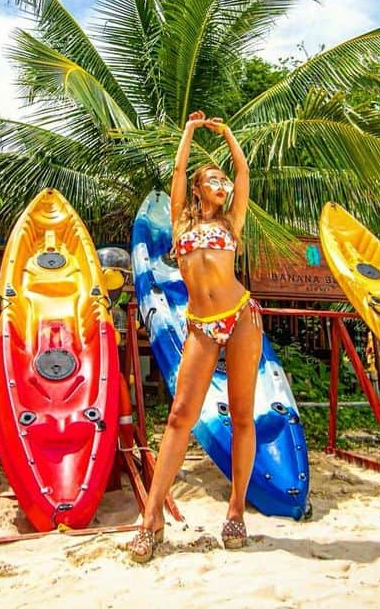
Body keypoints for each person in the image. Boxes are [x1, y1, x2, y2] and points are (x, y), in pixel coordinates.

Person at [129, 111, 259, 563]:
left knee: (243, 415)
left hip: (241, 316)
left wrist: (225, 135)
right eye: (214, 180)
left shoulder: (232, 224)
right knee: (180, 416)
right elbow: (179, 171)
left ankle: (236, 511)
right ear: (200, 189)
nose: (222, 185)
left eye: (223, 181)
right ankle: (151, 519)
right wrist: (189, 131)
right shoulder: (182, 226)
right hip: (201, 324)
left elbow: (243, 171)